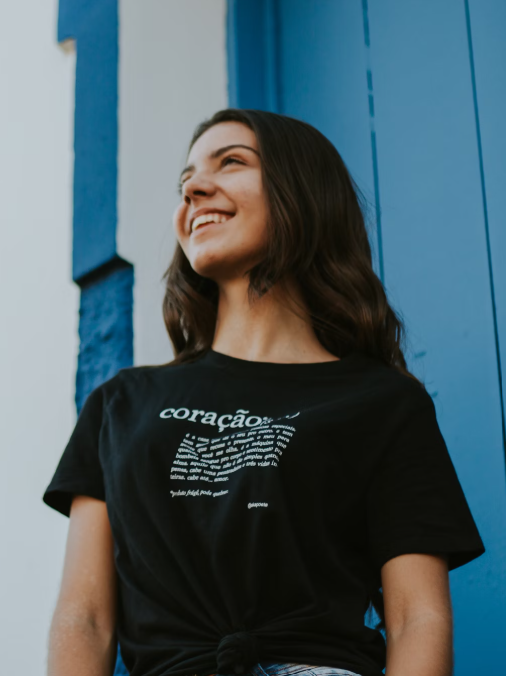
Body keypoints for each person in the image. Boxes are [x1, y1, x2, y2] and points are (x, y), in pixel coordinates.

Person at [42, 109, 486, 676]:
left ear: (302, 192)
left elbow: (416, 619)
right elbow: (85, 619)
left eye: (231, 163)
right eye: (186, 183)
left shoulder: (385, 403)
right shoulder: (119, 405)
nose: (196, 190)